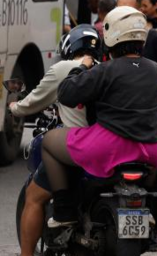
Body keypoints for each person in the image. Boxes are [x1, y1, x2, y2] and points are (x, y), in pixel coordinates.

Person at [42, 7, 157, 226]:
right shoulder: (156, 69)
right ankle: (148, 210)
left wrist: (80, 68)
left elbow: (67, 94)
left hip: (109, 147)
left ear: (111, 36)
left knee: (49, 141)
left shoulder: (106, 69)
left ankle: (63, 210)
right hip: (151, 149)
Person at [12, 26, 100, 256]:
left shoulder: (63, 68)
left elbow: (32, 102)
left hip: (76, 146)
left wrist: (14, 107)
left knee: (33, 197)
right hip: (109, 146)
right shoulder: (107, 70)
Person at [118, 0, 157, 71]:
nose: (122, 14)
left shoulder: (154, 37)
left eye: (128, 10)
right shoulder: (110, 35)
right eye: (119, 9)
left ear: (140, 11)